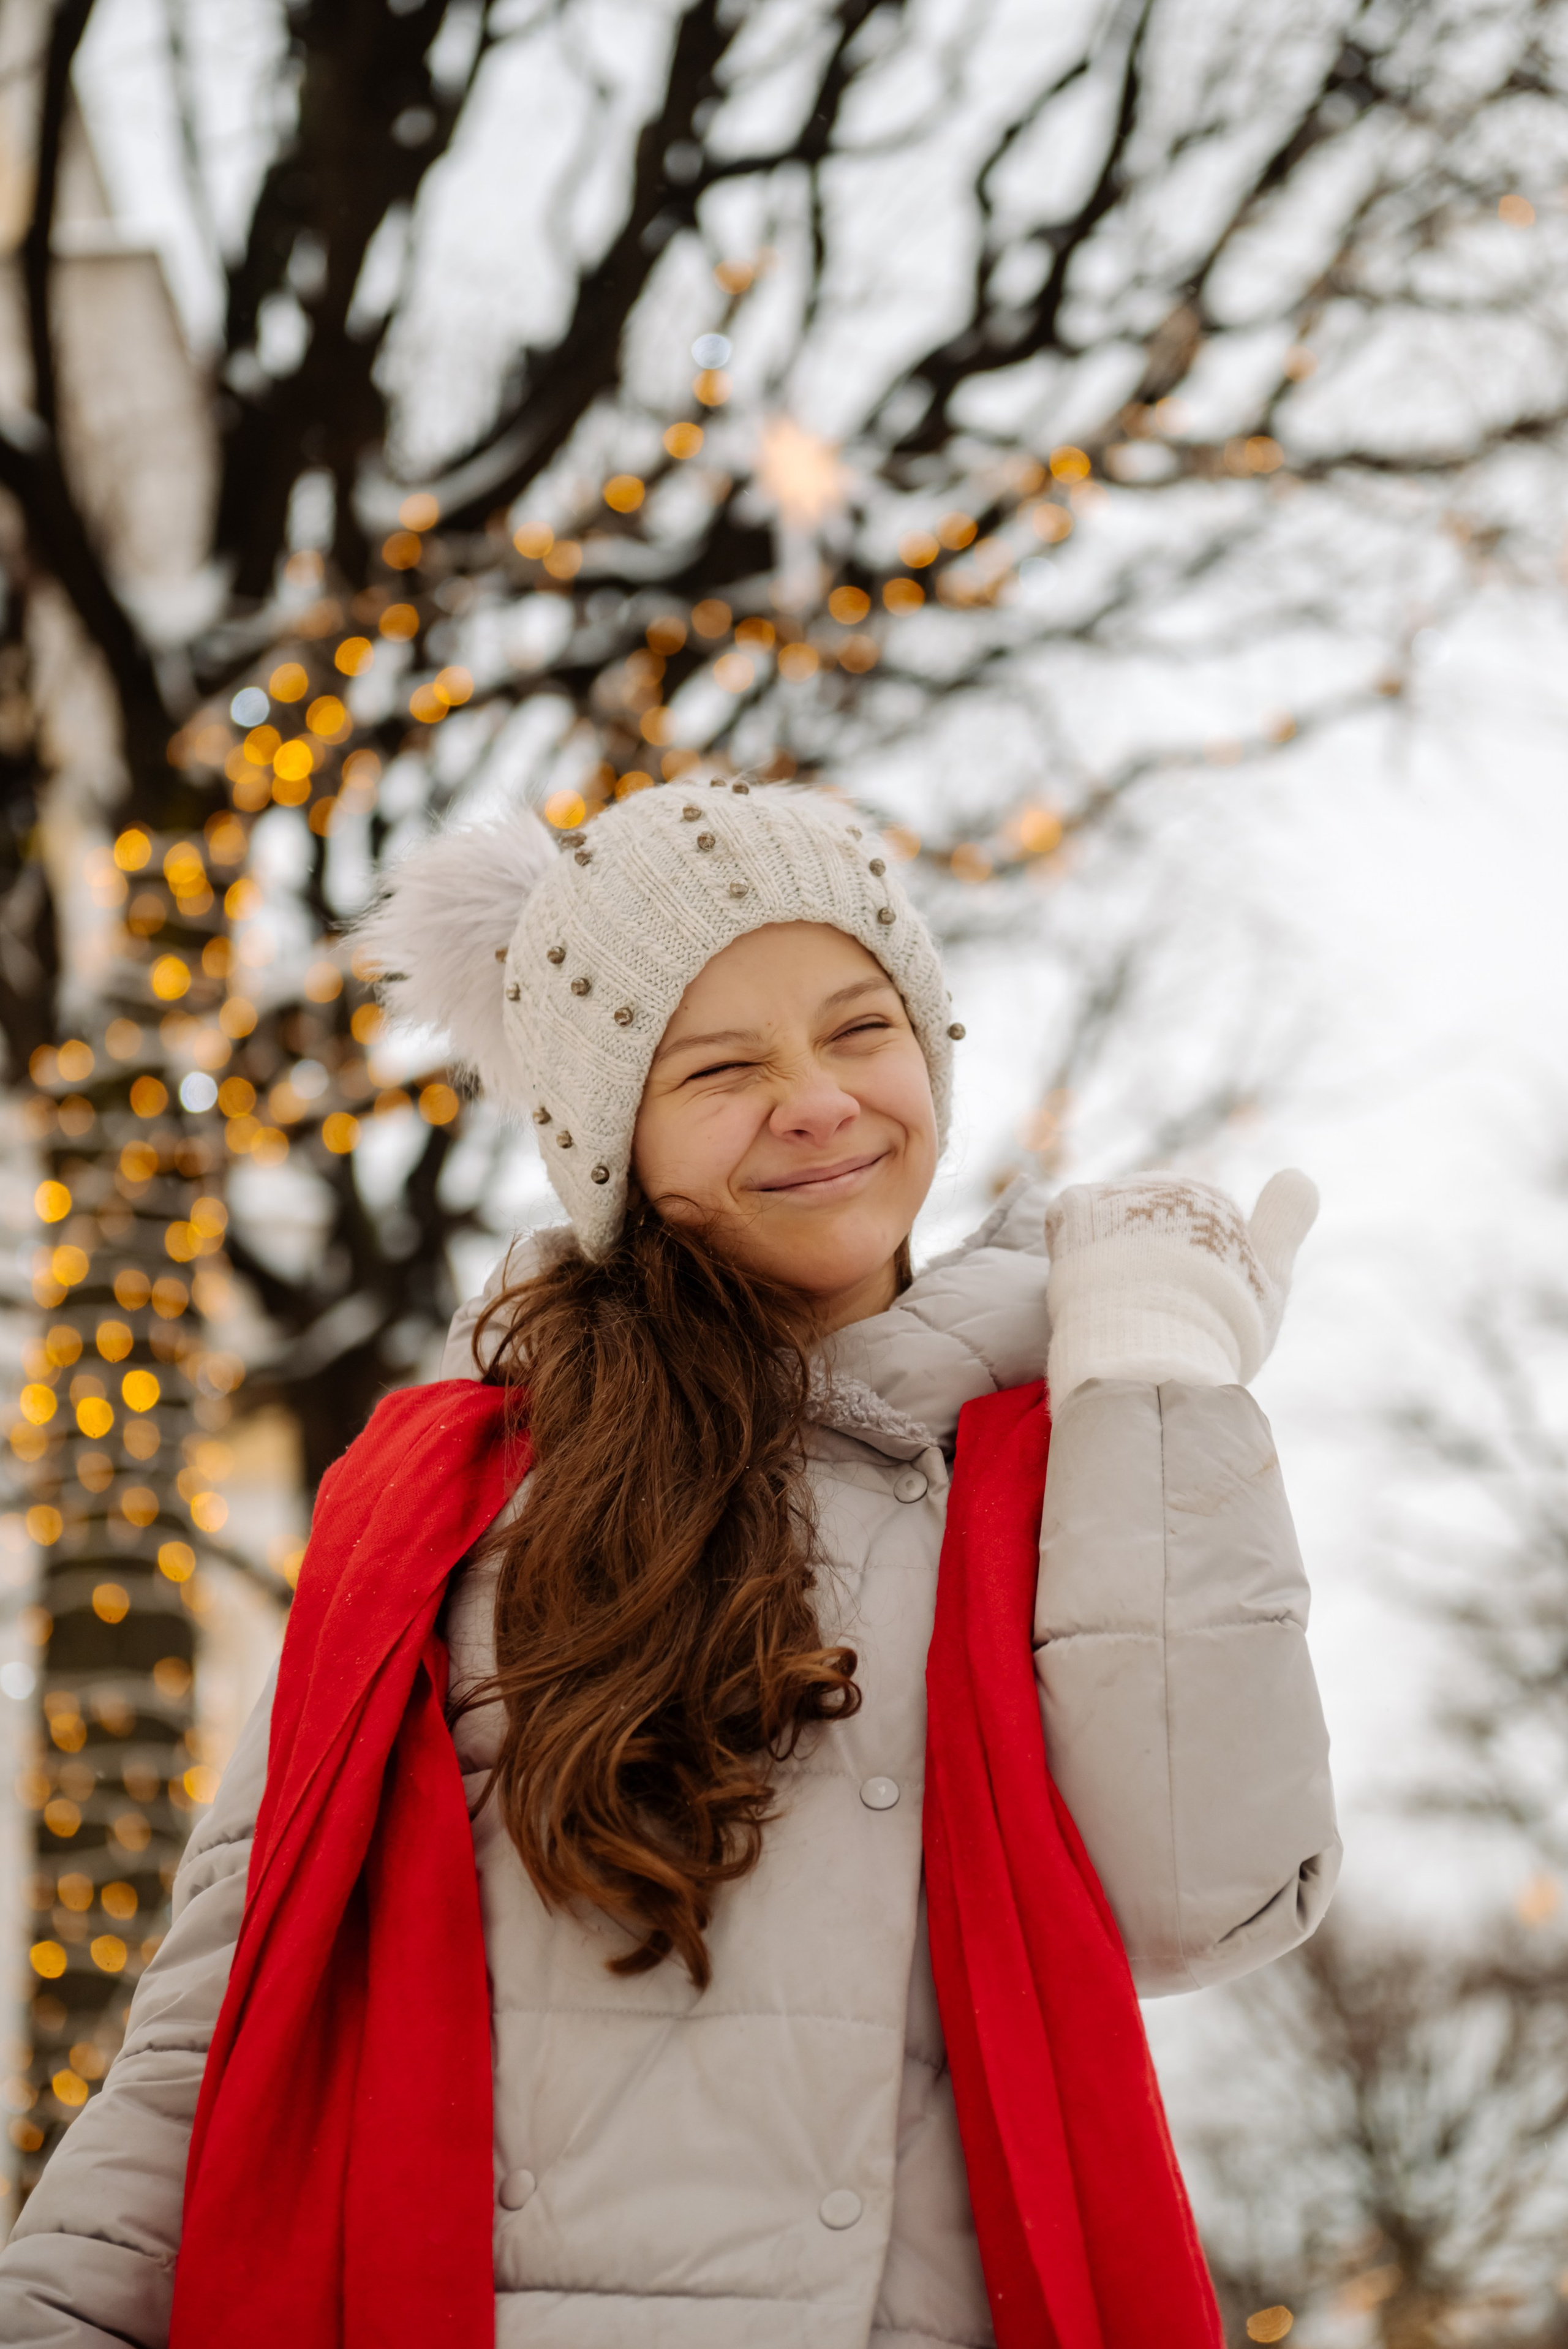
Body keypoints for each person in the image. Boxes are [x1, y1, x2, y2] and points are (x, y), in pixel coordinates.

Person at [0, 780, 1338, 2349]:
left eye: (858, 1029)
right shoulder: (457, 1507)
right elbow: (220, 2023)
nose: (817, 1100)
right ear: (612, 1140)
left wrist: (1158, 1373)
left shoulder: (1062, 1450)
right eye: (719, 1066)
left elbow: (1195, 1903)